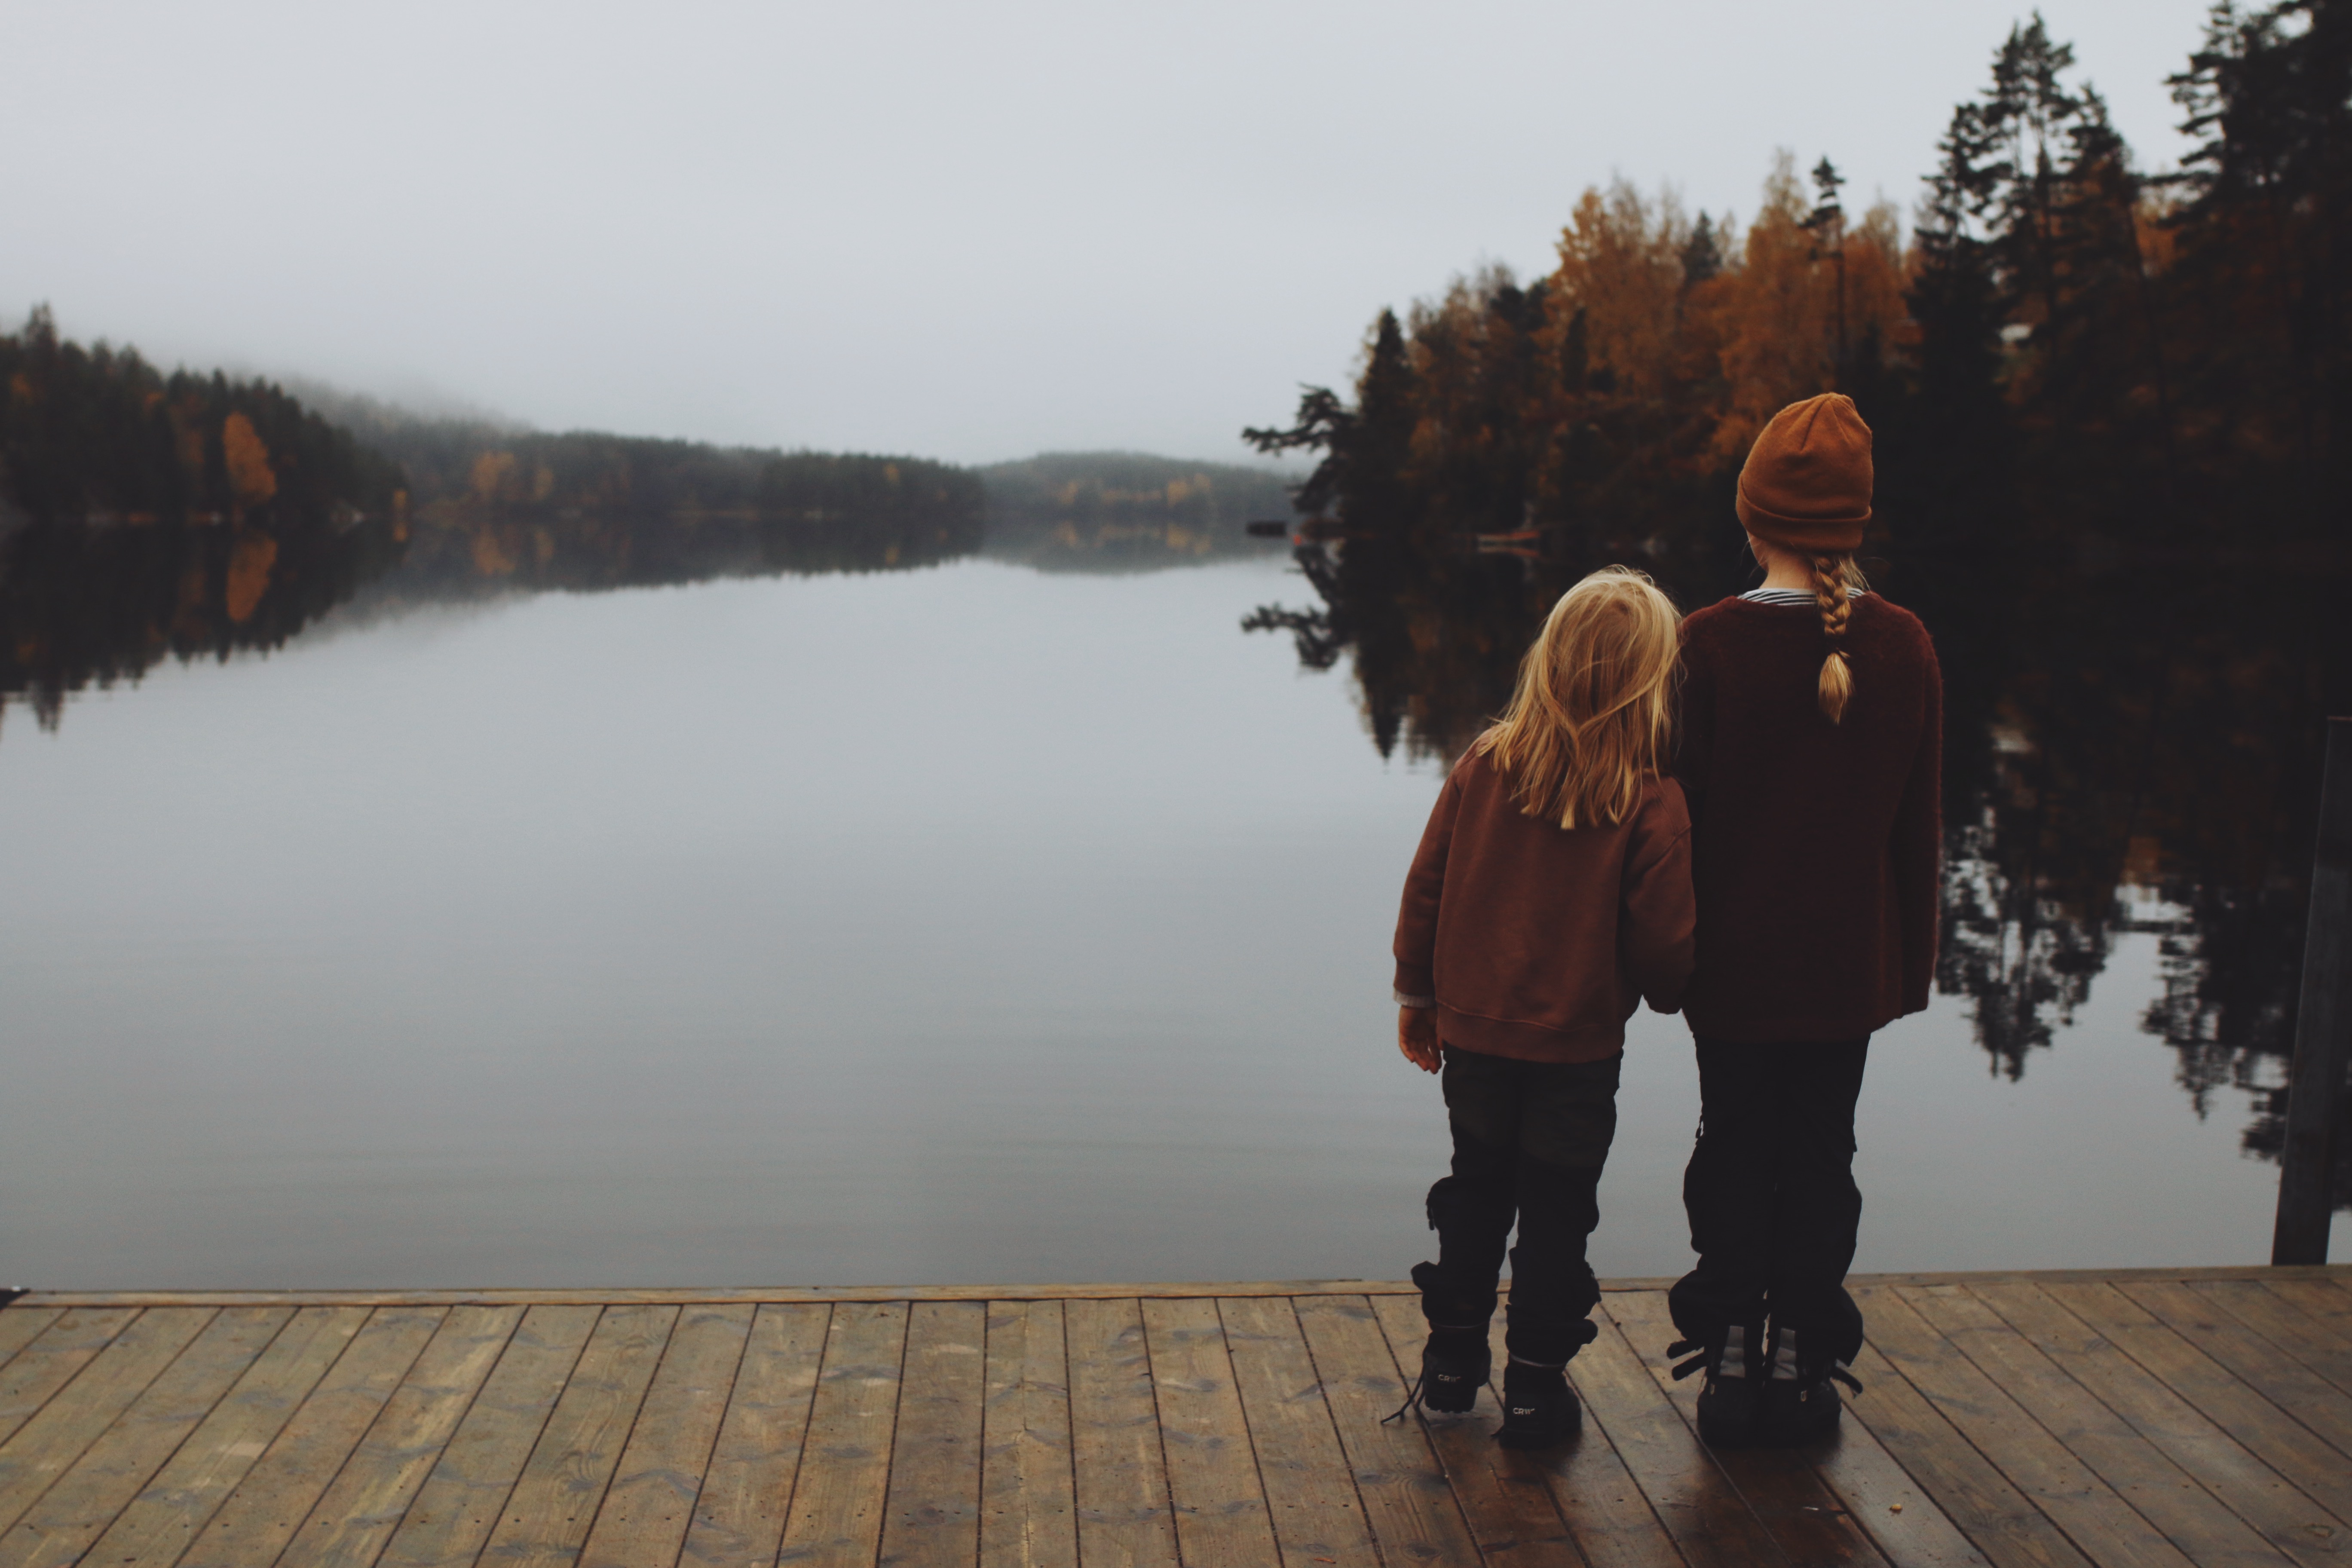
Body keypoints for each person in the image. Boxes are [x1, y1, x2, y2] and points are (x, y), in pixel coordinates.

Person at [1665, 392, 1942, 1448]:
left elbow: (1670, 825)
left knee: (1731, 1146)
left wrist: (1664, 961)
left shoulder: (1706, 642)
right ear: (1853, 524)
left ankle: (1731, 1356)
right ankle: (1801, 1364)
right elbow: (1919, 827)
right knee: (1825, 1154)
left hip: (1730, 976)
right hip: (1842, 974)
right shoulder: (1906, 644)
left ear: (1753, 518)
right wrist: (1902, 968)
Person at [1389, 566, 1695, 1449]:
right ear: (1650, 679)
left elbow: (1426, 892)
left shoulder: (1485, 766)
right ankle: (1533, 1390)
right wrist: (1668, 995)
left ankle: (1451, 1364)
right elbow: (1667, 943)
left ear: (1547, 663)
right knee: (1560, 1213)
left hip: (1476, 1042)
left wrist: (1419, 998)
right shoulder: (1652, 800)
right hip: (1579, 1055)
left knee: (1476, 1190)